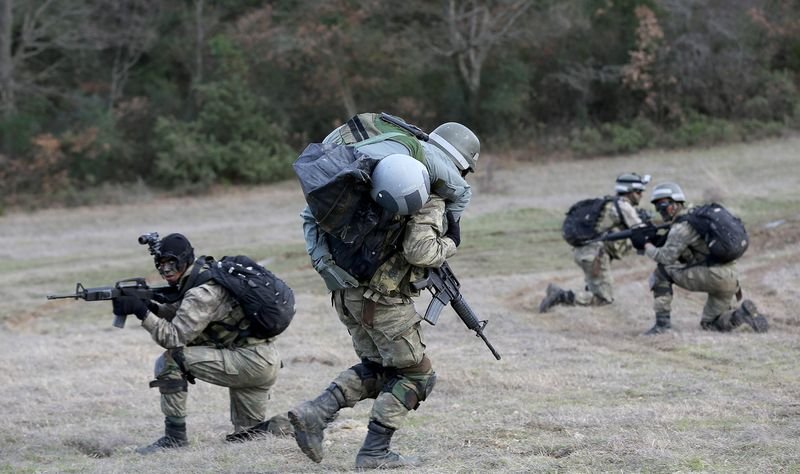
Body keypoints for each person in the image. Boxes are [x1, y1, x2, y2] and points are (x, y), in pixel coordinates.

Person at [290, 153, 460, 469]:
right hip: (381, 301)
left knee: (379, 369)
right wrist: (451, 242)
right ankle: (374, 452)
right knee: (417, 375)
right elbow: (420, 251)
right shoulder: (426, 196)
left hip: (347, 295)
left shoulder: (377, 180)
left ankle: (316, 412)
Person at [111, 233, 290, 454]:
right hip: (259, 358)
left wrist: (142, 312)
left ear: (185, 260)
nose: (166, 270)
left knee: (171, 361)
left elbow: (174, 338)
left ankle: (174, 438)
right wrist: (152, 307)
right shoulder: (205, 277)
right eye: (161, 265)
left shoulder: (201, 292)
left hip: (248, 361)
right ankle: (301, 423)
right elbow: (186, 315)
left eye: (171, 263)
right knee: (248, 437)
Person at [642, 182, 769, 335]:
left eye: (662, 204)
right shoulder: (696, 216)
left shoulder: (681, 227)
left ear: (676, 203)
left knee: (661, 273)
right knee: (711, 324)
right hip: (730, 277)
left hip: (713, 275)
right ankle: (741, 315)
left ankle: (662, 326)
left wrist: (647, 245)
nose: (659, 209)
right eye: (656, 205)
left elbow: (666, 258)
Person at [323, 113, 480, 221]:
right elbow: (463, 193)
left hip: (328, 161)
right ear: (459, 163)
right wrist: (449, 235)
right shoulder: (433, 157)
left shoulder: (406, 145)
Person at [539, 173, 650, 312]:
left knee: (595, 289)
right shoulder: (623, 206)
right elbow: (641, 231)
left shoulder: (609, 203)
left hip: (585, 252)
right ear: (630, 191)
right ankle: (560, 296)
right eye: (639, 191)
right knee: (604, 298)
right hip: (594, 255)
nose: (641, 195)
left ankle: (567, 294)